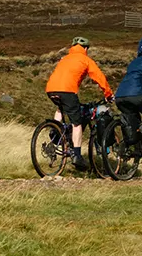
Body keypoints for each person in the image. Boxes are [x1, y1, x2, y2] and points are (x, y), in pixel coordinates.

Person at [45, 36, 114, 171]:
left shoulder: (64, 58)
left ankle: (55, 132)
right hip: (68, 91)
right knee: (76, 123)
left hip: (51, 89)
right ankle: (77, 155)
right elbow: (99, 77)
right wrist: (108, 94)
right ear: (86, 48)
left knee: (60, 109)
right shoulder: (86, 59)